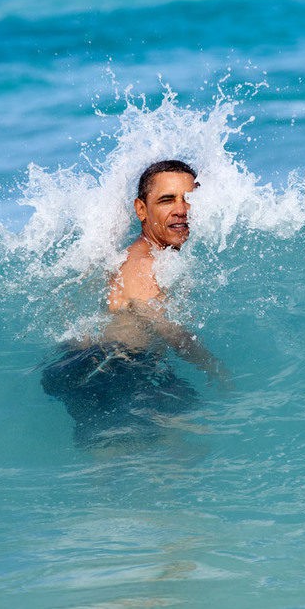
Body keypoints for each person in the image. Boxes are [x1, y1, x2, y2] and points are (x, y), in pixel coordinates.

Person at [41, 160, 228, 448]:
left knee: (145, 462)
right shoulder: (142, 264)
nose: (182, 209)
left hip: (103, 365)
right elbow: (168, 331)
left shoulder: (151, 256)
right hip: (111, 370)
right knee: (183, 447)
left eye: (189, 199)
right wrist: (214, 367)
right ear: (141, 209)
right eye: (167, 200)